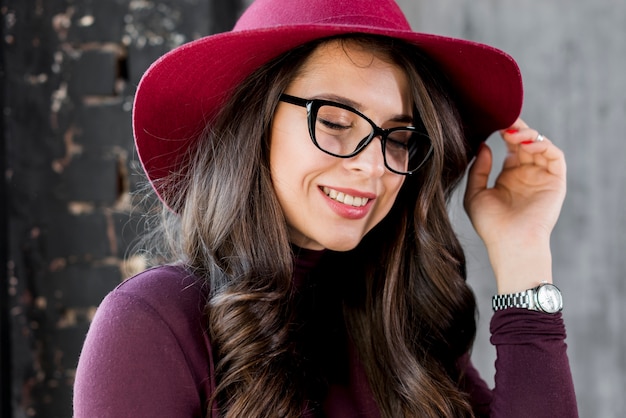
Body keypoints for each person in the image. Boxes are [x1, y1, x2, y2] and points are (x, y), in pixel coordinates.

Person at [73, 0, 578, 417]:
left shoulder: (405, 326)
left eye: (397, 137)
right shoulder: (153, 325)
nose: (372, 166)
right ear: (255, 126)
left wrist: (523, 251)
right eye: (335, 122)